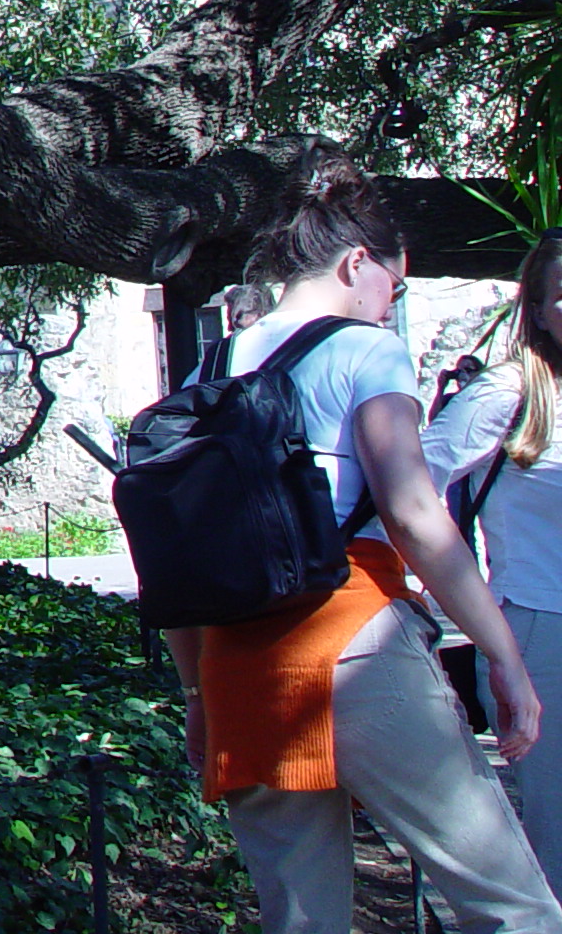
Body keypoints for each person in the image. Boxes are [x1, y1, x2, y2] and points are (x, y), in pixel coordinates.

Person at [165, 146, 559, 934]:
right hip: (355, 647)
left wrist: (198, 692)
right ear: (354, 265)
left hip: (243, 670)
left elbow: (175, 555)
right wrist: (504, 658)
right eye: (394, 284)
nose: (391, 302)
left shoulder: (209, 366)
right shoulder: (368, 351)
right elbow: (415, 515)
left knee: (302, 922)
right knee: (515, 908)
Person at [425, 229, 562, 891]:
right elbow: (408, 490)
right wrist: (456, 600)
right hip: (542, 631)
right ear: (537, 309)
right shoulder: (507, 396)